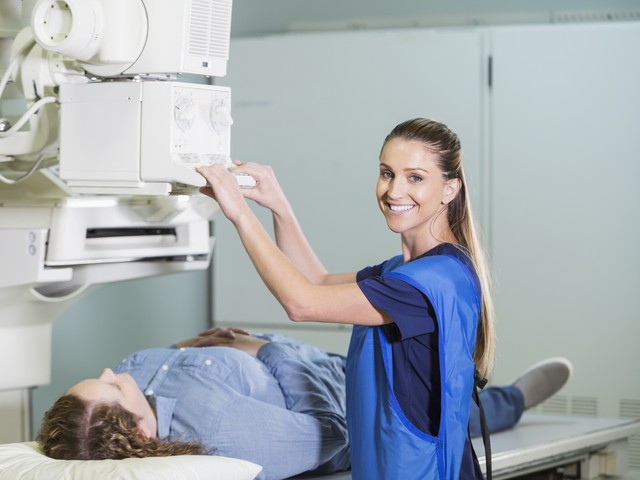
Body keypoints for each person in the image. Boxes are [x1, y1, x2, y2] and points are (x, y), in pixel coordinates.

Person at [195, 118, 494, 479]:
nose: (394, 190)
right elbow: (315, 280)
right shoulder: (405, 272)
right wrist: (278, 205)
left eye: (415, 177)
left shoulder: (427, 283)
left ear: (450, 189)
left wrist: (239, 214)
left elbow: (301, 302)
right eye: (387, 173)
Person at [37, 327, 573, 480]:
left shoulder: (128, 397)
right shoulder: (224, 431)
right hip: (340, 380)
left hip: (271, 353)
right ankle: (513, 399)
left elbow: (158, 364)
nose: (112, 371)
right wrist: (264, 348)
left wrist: (193, 346)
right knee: (452, 408)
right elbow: (333, 435)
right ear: (137, 429)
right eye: (111, 385)